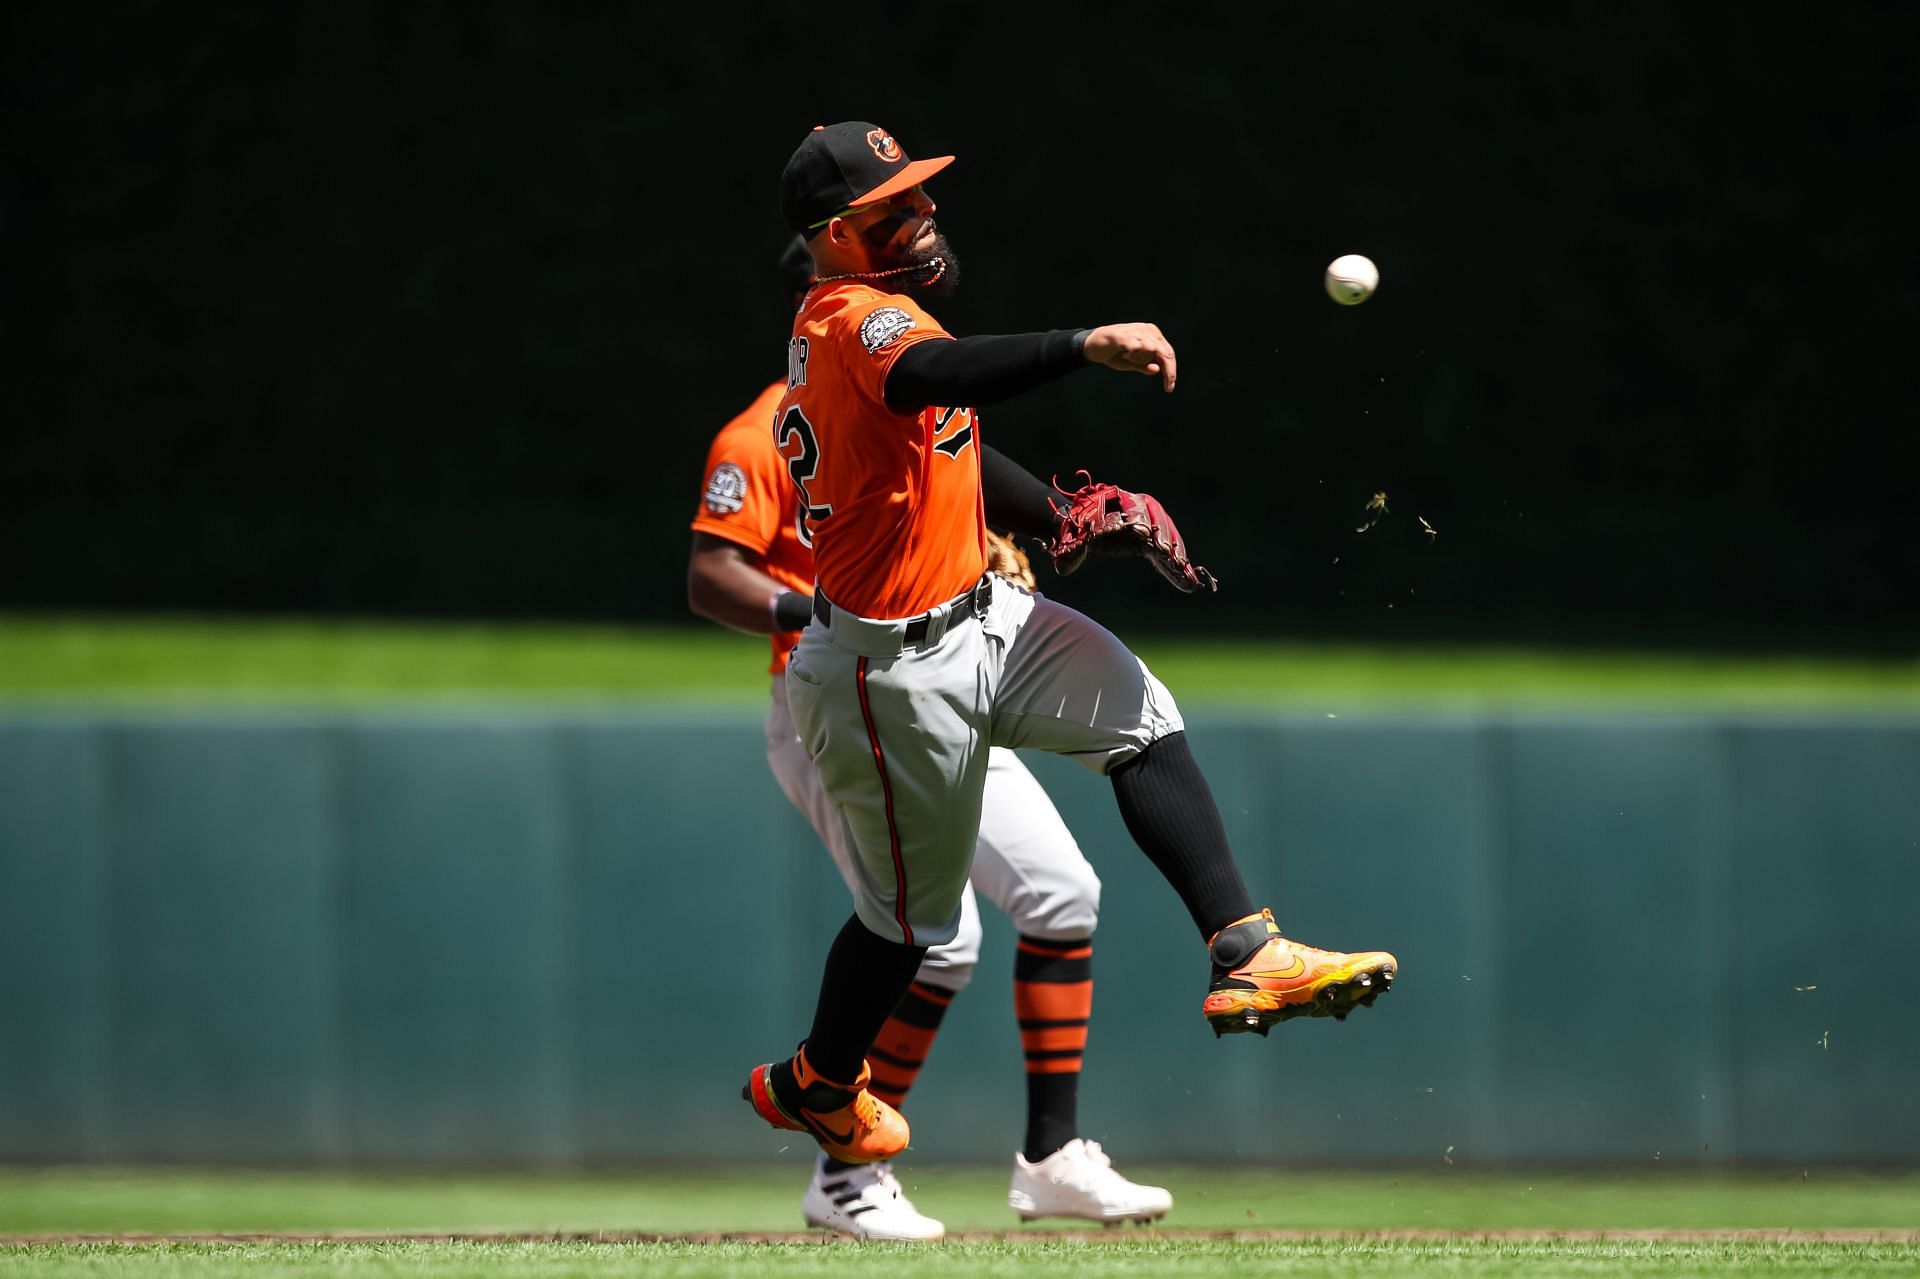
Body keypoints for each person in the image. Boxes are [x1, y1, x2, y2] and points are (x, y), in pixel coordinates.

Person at [742, 121, 1399, 1168]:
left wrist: (1056, 515)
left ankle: (1250, 949)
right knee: (910, 927)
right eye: (891, 209)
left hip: (979, 613)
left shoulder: (878, 314)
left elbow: (948, 430)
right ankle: (818, 1081)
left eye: (919, 195)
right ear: (831, 236)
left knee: (1143, 715)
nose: (923, 215)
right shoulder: (844, 316)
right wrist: (1081, 345)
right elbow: (933, 375)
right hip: (889, 674)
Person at [687, 239, 1171, 1238]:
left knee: (1063, 895)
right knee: (938, 938)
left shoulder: (912, 406)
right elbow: (711, 577)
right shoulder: (759, 432)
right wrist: (814, 610)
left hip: (949, 675)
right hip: (844, 700)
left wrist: (1046, 526)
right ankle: (844, 1175)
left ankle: (1052, 1158)